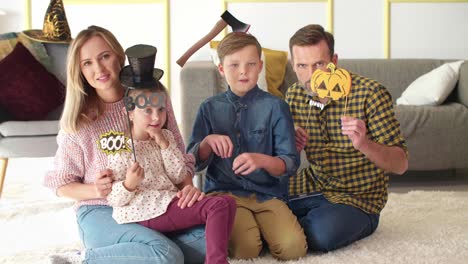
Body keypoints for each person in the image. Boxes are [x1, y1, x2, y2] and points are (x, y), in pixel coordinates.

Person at [44, 25, 206, 264]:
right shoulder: (79, 121)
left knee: (209, 243)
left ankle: (135, 254)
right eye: (87, 63)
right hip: (102, 210)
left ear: (119, 57)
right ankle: (82, 260)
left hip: (156, 203)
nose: (98, 68)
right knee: (167, 255)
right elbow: (60, 183)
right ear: (79, 70)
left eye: (104, 56)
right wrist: (95, 190)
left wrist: (187, 188)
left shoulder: (150, 97)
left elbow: (177, 154)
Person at [106, 44, 236, 264]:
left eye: (161, 109)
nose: (156, 117)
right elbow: (113, 199)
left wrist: (165, 144)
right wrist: (128, 183)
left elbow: (178, 175)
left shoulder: (165, 136)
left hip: (167, 203)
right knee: (218, 206)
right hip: (144, 211)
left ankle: (213, 254)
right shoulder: (121, 147)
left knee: (228, 202)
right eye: (147, 111)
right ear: (129, 113)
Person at [286, 24, 409, 252]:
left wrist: (364, 144)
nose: (312, 76)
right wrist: (290, 145)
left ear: (334, 61)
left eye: (319, 64)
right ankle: (286, 225)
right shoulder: (294, 95)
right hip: (314, 185)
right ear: (293, 65)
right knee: (259, 205)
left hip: (359, 199)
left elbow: (400, 164)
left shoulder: (370, 94)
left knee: (320, 235)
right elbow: (284, 161)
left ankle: (290, 227)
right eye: (302, 66)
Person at [187, 32, 307, 260]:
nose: (243, 71)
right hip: (225, 195)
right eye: (234, 65)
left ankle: (261, 227)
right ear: (221, 69)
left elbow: (290, 162)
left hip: (269, 194)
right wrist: (207, 142)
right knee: (245, 250)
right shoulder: (209, 108)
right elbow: (191, 162)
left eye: (251, 64)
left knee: (293, 249)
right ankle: (250, 231)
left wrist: (262, 160)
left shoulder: (276, 107)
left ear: (260, 66)